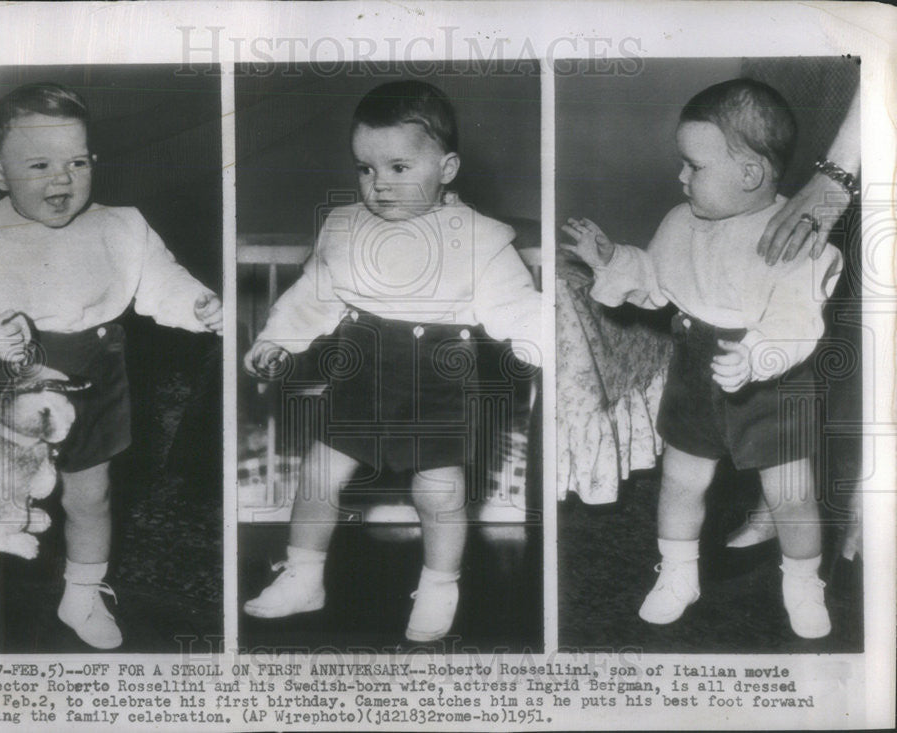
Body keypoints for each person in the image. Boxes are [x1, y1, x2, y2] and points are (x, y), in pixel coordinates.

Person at [241, 80, 540, 642]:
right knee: (318, 476)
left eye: (399, 167)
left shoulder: (478, 238)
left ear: (447, 168)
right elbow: (313, 293)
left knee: (439, 491)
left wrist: (544, 338)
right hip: (362, 365)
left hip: (438, 375)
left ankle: (439, 583)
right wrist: (278, 339)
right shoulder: (347, 227)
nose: (379, 185)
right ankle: (304, 575)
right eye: (365, 169)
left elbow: (515, 308)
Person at [0, 82, 223, 649]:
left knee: (92, 496)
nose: (62, 179)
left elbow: (161, 282)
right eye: (39, 164)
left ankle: (83, 590)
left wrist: (198, 305)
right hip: (3, 386)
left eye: (76, 162)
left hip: (94, 381)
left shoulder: (122, 226)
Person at [563, 79, 843, 638]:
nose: (681, 177)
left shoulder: (792, 235)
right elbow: (656, 282)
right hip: (695, 374)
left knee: (791, 494)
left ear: (750, 175)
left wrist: (759, 355)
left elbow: (797, 319)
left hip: (771, 383)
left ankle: (803, 583)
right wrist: (612, 259)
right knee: (680, 483)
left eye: (694, 166)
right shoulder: (680, 222)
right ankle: (677, 573)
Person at [727, 87, 860, 549]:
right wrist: (838, 173)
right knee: (821, 325)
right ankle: (781, 498)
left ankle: (866, 501)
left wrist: (840, 175)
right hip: (838, 94)